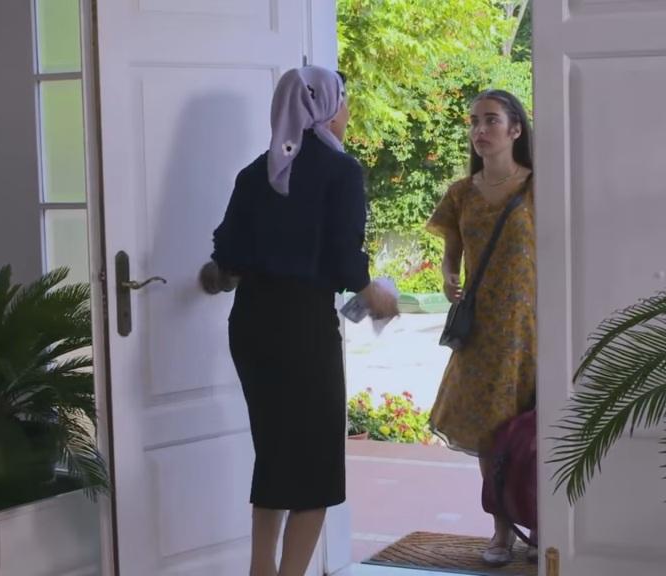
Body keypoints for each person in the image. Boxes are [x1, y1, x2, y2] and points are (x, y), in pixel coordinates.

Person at [207, 66, 399, 576]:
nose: (347, 112)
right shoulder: (340, 171)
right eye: (344, 102)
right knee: (313, 469)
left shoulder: (255, 173)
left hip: (251, 326)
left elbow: (226, 254)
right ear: (325, 108)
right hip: (303, 327)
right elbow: (344, 259)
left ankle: (260, 569)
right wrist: (373, 293)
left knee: (274, 454)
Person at [426, 89, 537, 566]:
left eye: (491, 120)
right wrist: (448, 275)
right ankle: (501, 530)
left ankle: (542, 523)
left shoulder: (538, 187)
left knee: (533, 430)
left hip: (532, 330)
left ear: (515, 129)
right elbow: (452, 249)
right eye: (474, 121)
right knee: (491, 435)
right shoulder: (460, 193)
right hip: (481, 333)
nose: (479, 130)